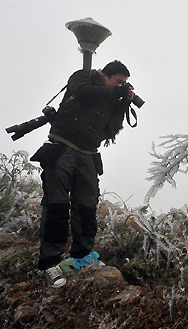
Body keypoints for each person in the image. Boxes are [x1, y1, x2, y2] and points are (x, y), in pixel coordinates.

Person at [31, 60, 135, 288]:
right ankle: (50, 264)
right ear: (106, 76)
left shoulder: (109, 99)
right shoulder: (82, 77)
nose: (121, 86)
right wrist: (114, 93)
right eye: (118, 81)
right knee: (56, 205)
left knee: (86, 207)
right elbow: (84, 93)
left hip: (88, 154)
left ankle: (82, 256)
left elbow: (109, 130)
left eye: (124, 84)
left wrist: (120, 105)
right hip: (63, 148)